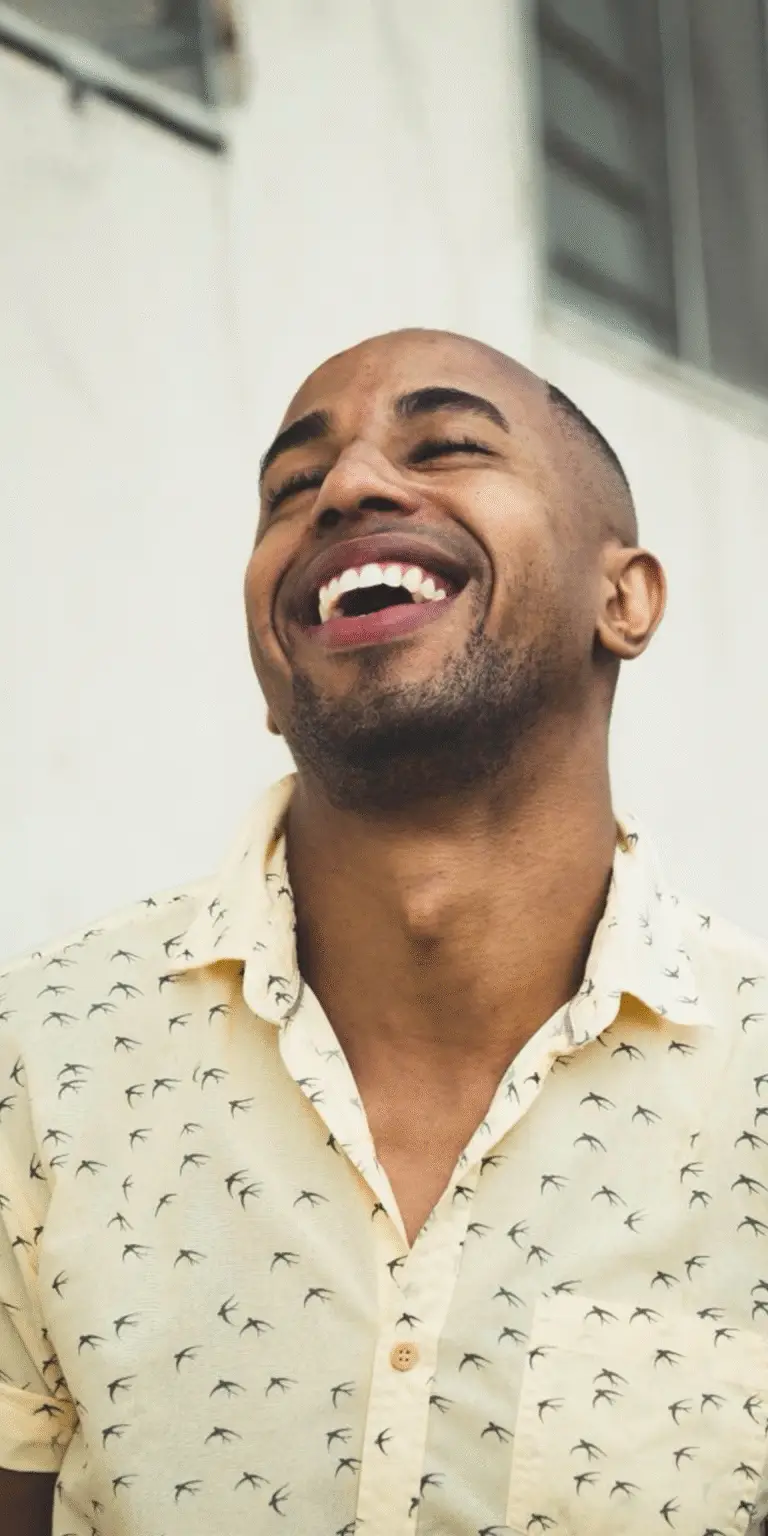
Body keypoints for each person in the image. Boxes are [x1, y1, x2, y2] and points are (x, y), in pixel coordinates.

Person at [2, 327, 767, 1536]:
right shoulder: (37, 1065)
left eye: (449, 445)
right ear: (268, 665)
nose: (349, 489)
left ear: (622, 599)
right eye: (291, 489)